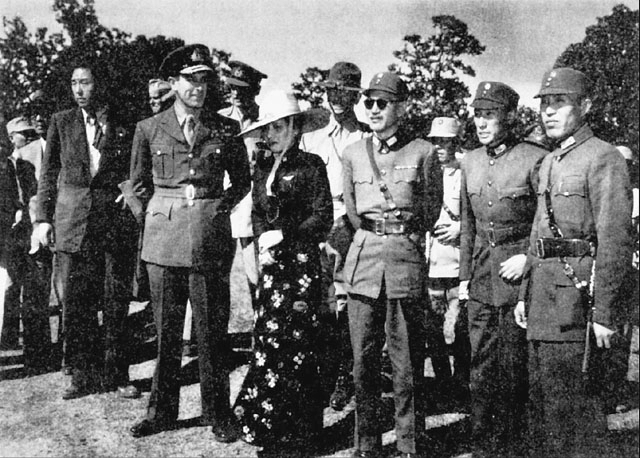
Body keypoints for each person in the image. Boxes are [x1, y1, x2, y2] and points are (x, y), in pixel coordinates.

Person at [127, 44, 250, 441]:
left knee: (212, 333)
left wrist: (216, 209)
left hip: (210, 242)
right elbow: (136, 185)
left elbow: (243, 182)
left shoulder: (225, 129)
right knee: (165, 332)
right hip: (163, 243)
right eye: (189, 79)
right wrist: (159, 211)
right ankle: (161, 412)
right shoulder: (149, 128)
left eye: (203, 80)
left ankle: (219, 414)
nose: (197, 87)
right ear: (173, 83)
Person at [514, 67, 634, 457]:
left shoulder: (604, 158)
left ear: (585, 106)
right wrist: (523, 294)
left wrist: (604, 313)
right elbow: (538, 234)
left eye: (559, 102)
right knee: (542, 410)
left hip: (577, 303)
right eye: (545, 103)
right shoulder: (549, 162)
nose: (548, 112)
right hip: (542, 299)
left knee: (577, 413)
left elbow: (615, 239)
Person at [342, 72, 442, 458]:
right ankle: (366, 443)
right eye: (368, 102)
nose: (373, 109)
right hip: (364, 262)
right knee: (362, 361)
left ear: (401, 106)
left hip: (403, 263)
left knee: (406, 360)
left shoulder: (423, 152)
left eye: (382, 102)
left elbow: (430, 211)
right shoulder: (352, 153)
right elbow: (352, 212)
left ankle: (409, 442)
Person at [31, 62, 139, 399]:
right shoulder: (61, 122)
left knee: (115, 299)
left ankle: (118, 374)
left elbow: (140, 166)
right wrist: (44, 219)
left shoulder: (125, 123)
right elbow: (48, 174)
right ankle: (82, 373)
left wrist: (133, 190)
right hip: (72, 223)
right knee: (77, 302)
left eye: (86, 83)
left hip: (113, 223)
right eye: (75, 83)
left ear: (99, 84)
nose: (79, 90)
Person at [233, 90, 333, 450]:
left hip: (300, 268)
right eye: (267, 128)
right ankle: (270, 429)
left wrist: (286, 235)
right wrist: (263, 242)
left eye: (278, 127)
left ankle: (302, 434)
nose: (270, 135)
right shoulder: (262, 168)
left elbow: (323, 217)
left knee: (298, 345)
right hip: (272, 268)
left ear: (294, 127)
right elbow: (258, 213)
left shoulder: (311, 165)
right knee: (269, 344)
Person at [459, 81, 548, 456]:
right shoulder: (471, 161)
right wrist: (464, 278)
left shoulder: (535, 158)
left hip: (519, 283)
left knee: (515, 371)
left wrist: (528, 257)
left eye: (490, 114)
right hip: (481, 280)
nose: (481, 122)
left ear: (509, 117)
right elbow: (468, 224)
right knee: (480, 371)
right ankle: (484, 447)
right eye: (477, 114)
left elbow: (545, 220)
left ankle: (515, 447)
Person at [300, 61, 370, 411]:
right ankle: (321, 374)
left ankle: (346, 376)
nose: (336, 98)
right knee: (318, 303)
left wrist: (347, 229)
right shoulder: (310, 136)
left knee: (347, 305)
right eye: (330, 91)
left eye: (343, 92)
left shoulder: (367, 137)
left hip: (352, 226)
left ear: (356, 96)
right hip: (314, 226)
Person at [424, 116, 470, 412]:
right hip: (430, 260)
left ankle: (462, 383)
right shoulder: (425, 169)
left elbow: (477, 211)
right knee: (432, 328)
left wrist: (461, 229)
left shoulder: (468, 169)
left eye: (445, 141)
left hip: (458, 261)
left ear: (456, 141)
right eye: (436, 141)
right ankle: (442, 383)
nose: (440, 147)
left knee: (462, 328)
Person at [1, 116, 53, 373]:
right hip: (8, 239)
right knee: (8, 292)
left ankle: (38, 354)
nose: (28, 137)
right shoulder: (7, 166)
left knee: (35, 291)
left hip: (29, 236)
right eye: (23, 134)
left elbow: (35, 197)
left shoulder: (25, 165)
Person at [218, 60, 268, 316]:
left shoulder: (267, 121)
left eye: (242, 89)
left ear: (255, 91)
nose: (235, 94)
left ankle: (260, 330)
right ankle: (207, 341)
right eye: (232, 87)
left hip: (253, 206)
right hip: (223, 203)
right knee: (216, 274)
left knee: (256, 273)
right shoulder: (218, 119)